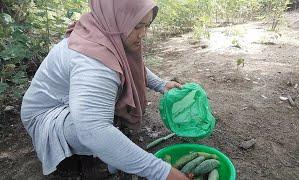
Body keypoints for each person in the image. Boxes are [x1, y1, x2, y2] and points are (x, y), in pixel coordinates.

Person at [20, 0, 189, 179]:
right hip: (46, 116)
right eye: (138, 26)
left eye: (146, 26)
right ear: (116, 17)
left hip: (69, 101)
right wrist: (163, 172)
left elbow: (126, 65)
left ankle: (106, 149)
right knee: (97, 131)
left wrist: (161, 84)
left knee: (104, 113)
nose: (143, 34)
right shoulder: (92, 60)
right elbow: (93, 130)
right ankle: (78, 163)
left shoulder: (103, 30)